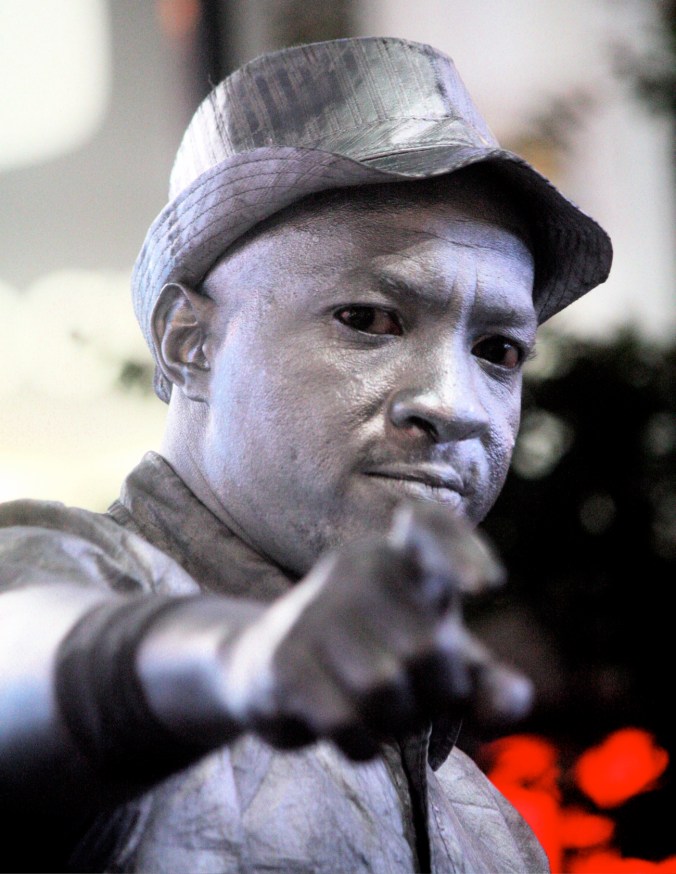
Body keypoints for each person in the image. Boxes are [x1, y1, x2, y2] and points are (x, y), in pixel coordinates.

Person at [0, 37, 611, 873]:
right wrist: (230, 657)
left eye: (500, 350)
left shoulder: (492, 832)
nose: (453, 405)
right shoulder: (77, 585)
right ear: (189, 342)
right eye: (368, 318)